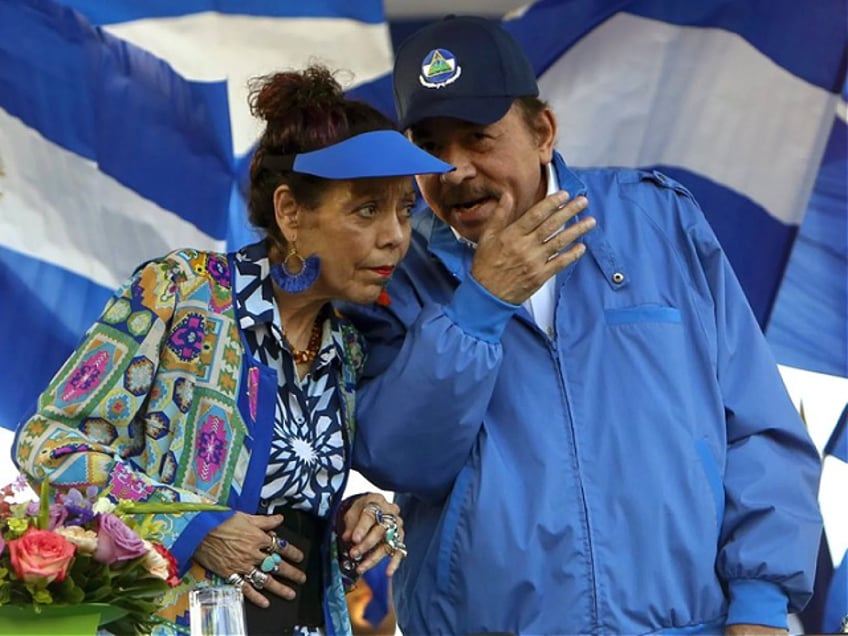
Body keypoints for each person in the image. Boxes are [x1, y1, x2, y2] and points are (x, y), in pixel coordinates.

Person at [338, 15, 823, 636]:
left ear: (543, 132)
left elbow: (758, 430)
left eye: (479, 138)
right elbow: (404, 460)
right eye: (429, 147)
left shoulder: (659, 221)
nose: (454, 170)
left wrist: (760, 607)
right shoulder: (398, 273)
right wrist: (481, 304)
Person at [12, 64, 451, 635]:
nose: (395, 235)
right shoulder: (180, 293)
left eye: (403, 210)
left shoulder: (347, 348)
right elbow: (47, 444)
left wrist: (356, 521)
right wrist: (194, 525)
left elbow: (290, 531)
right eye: (366, 210)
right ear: (291, 213)